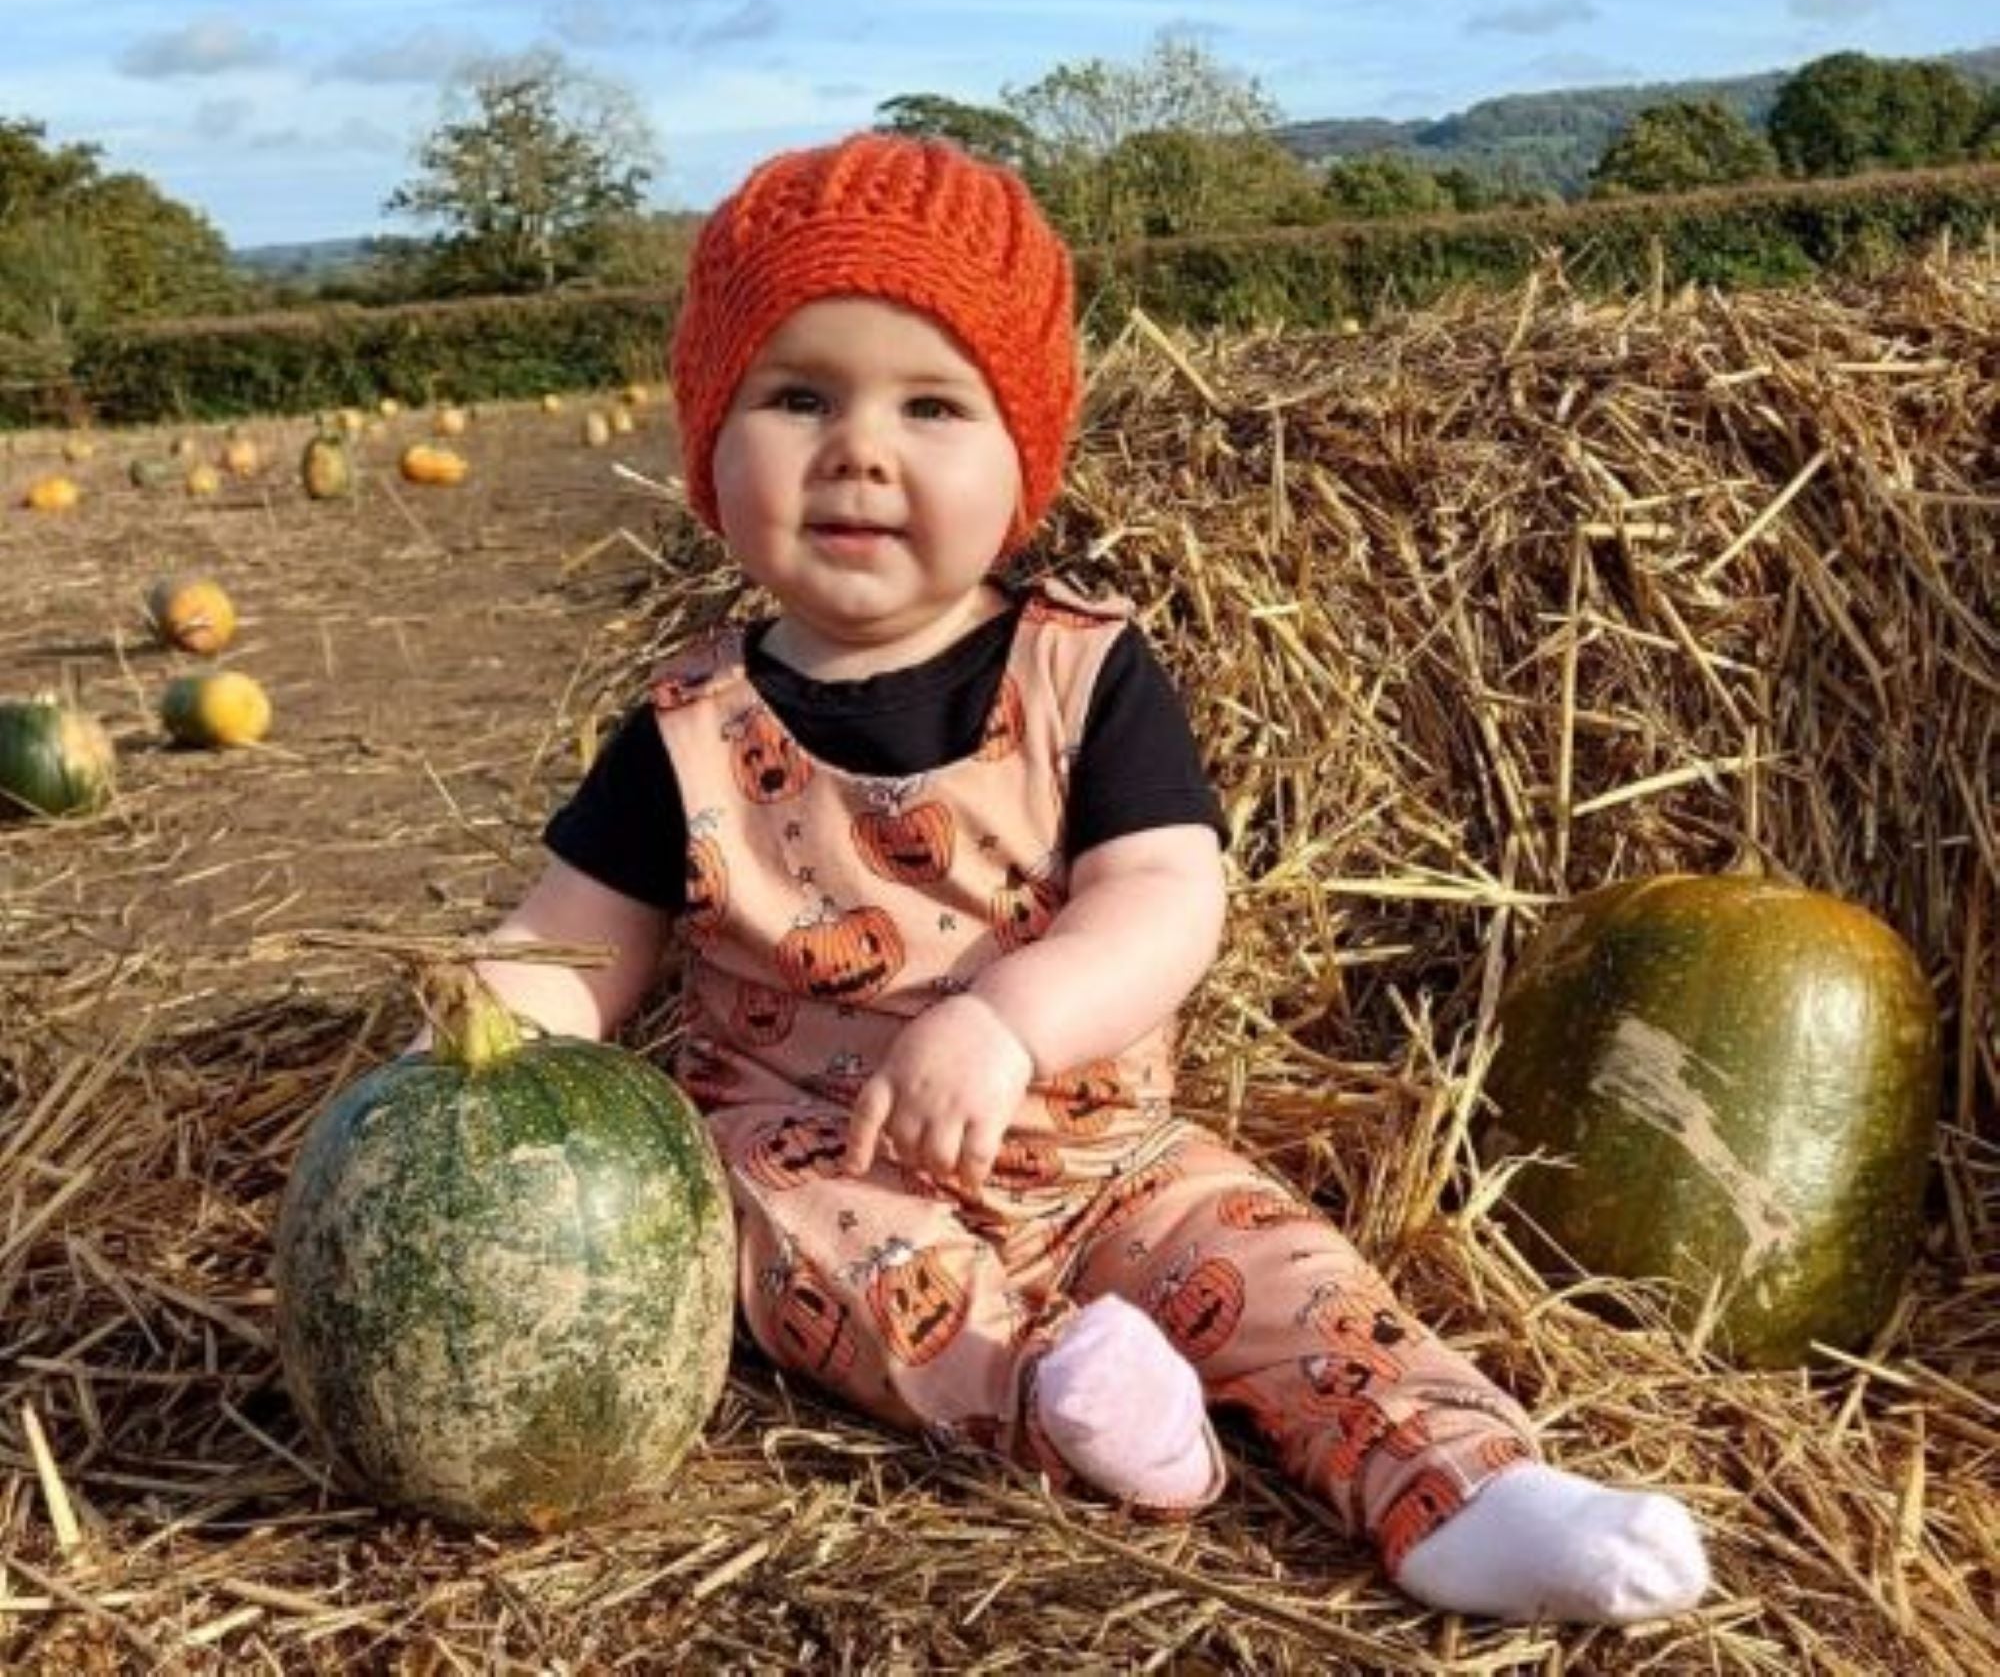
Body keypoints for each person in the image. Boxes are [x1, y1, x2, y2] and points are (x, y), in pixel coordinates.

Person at [457, 131, 1710, 1625]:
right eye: (798, 398)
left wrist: (1011, 1020)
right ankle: (1066, 1400)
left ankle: (1459, 1484)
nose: (860, 449)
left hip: (1109, 1160)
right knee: (793, 1250)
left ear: (1023, 457)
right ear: (710, 448)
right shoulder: (683, 734)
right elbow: (570, 945)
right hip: (829, 1163)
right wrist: (475, 1033)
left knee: (1290, 1276)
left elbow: (1167, 898)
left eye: (931, 405)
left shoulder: (1084, 670)